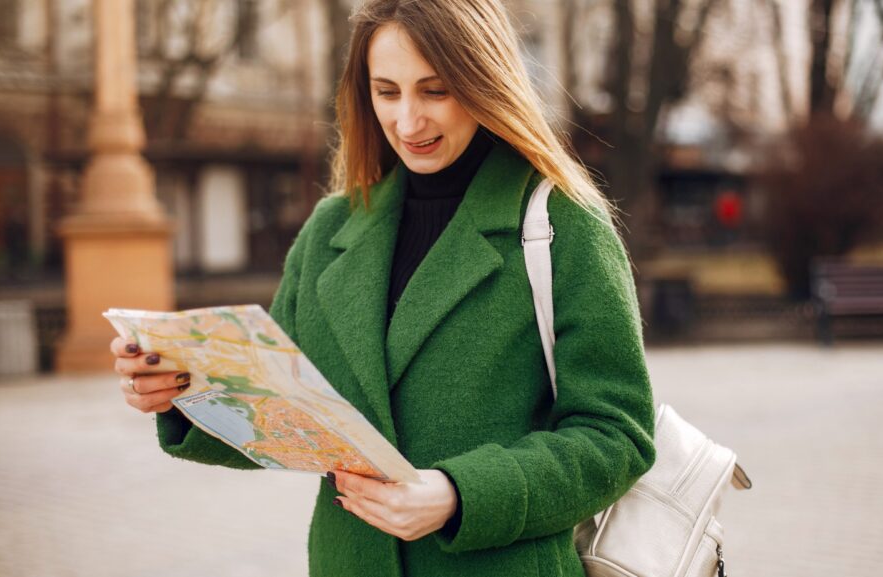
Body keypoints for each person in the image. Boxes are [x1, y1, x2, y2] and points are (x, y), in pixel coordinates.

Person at [110, 1, 656, 576]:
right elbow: (284, 413)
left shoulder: (562, 227)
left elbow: (616, 436)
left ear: (485, 81)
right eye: (387, 92)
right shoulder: (330, 230)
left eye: (435, 91)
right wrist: (182, 393)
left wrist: (459, 494)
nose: (408, 121)